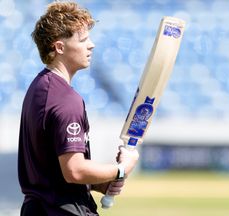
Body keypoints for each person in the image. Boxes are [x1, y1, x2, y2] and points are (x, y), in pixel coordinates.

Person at [18, 1, 139, 215]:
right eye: (83, 40)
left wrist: (98, 184)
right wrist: (121, 169)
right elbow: (74, 171)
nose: (91, 45)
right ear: (59, 47)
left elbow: (51, 171)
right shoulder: (65, 99)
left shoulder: (38, 88)